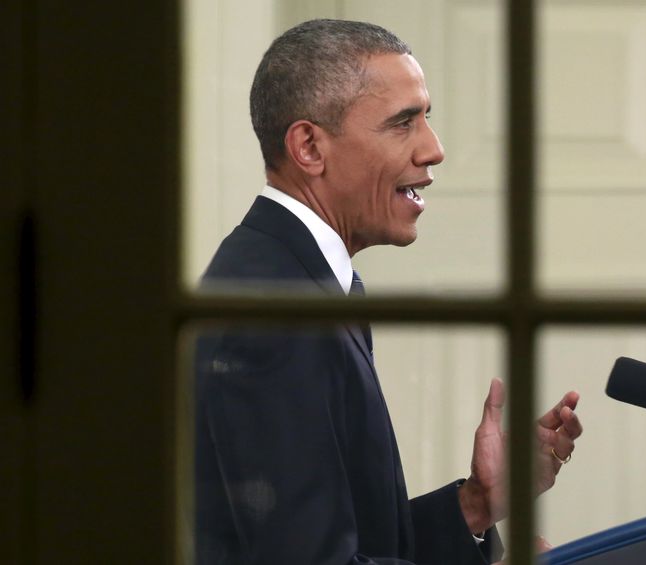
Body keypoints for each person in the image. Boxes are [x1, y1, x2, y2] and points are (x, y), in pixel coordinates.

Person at [194, 19, 582, 565]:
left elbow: (352, 542)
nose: (434, 149)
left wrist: (475, 502)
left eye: (427, 118)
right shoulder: (275, 312)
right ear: (309, 146)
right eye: (403, 123)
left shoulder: (311, 281)